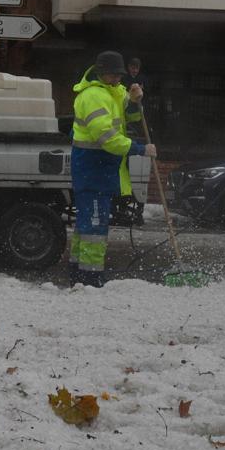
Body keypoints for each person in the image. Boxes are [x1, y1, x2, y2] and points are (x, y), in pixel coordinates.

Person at [69, 50, 157, 287]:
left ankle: (78, 271)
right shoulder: (93, 96)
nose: (118, 79)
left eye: (119, 75)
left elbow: (130, 118)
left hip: (101, 169)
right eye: (114, 75)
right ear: (101, 72)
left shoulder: (114, 91)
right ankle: (90, 277)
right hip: (92, 167)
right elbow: (105, 137)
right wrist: (139, 149)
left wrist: (134, 101)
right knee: (94, 227)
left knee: (86, 224)